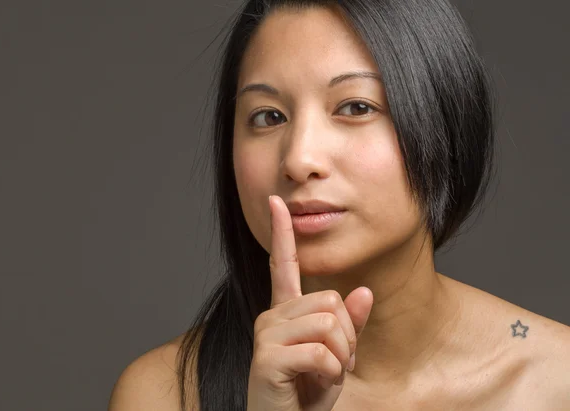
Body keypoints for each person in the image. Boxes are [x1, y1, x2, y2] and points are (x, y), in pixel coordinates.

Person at [108, 0, 570, 410]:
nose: (299, 159)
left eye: (354, 107)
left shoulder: (555, 380)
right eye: (269, 116)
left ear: (445, 124)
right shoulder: (162, 395)